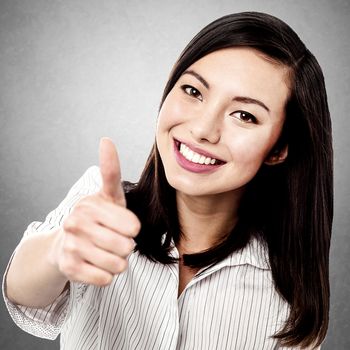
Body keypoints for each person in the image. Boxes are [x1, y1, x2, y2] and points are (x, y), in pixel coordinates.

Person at [2, 11, 333, 350]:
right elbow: (24, 298)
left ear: (278, 148)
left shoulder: (290, 297)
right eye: (193, 90)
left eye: (244, 115)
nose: (203, 129)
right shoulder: (99, 206)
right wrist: (58, 251)